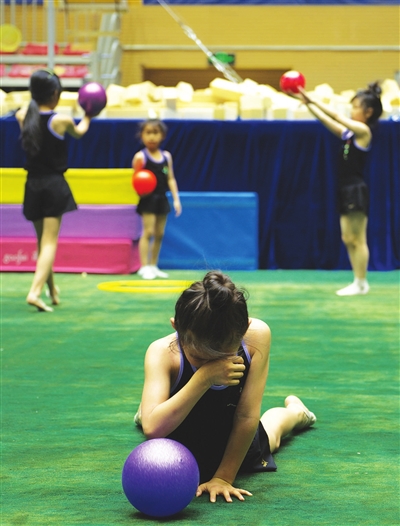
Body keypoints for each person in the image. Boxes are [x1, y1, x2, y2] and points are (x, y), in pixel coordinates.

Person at [134, 271, 316, 502]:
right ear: (176, 327)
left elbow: (247, 415)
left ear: (245, 329)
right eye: (201, 358)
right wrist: (204, 378)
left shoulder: (257, 336)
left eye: (224, 356)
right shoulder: (162, 351)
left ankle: (296, 412)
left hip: (232, 435)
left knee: (272, 433)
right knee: (151, 418)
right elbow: (154, 430)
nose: (214, 363)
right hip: (178, 435)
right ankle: (149, 408)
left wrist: (223, 478)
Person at [295, 82, 383, 296]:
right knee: (347, 238)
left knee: (358, 239)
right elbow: (327, 120)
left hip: (356, 189)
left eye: (356, 107)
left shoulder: (363, 131)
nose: (352, 110)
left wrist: (313, 99)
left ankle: (361, 282)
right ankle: (357, 281)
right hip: (345, 189)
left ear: (368, 112)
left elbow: (335, 115)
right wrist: (308, 104)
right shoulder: (349, 134)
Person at [16, 69, 93, 312]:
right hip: (53, 185)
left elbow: (27, 112)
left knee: (42, 242)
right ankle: (35, 292)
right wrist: (89, 113)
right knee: (49, 242)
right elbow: (80, 132)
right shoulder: (61, 120)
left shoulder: (22, 116)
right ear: (55, 94)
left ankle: (52, 290)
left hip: (32, 185)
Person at [132, 119, 181, 280]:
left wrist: (176, 199)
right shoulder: (140, 157)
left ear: (162, 136)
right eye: (148, 133)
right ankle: (144, 267)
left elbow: (170, 178)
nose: (152, 137)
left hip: (162, 198)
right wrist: (140, 192)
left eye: (155, 133)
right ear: (142, 136)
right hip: (148, 199)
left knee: (159, 233)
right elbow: (135, 179)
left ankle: (153, 265)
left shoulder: (166, 156)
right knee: (148, 232)